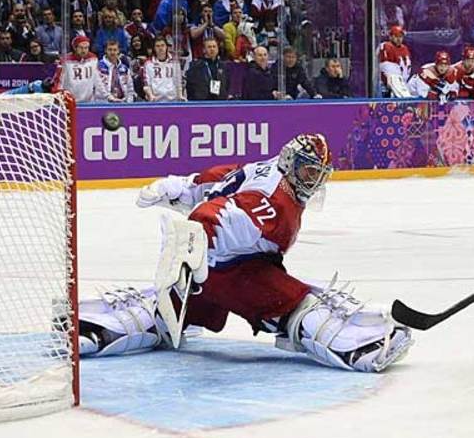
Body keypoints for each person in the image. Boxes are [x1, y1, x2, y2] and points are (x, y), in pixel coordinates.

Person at [79, 134, 413, 373]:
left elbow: (219, 180)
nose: (312, 181)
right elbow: (225, 217)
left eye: (318, 174)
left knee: (172, 314)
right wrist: (198, 234)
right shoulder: (280, 204)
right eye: (308, 170)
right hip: (236, 272)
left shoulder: (265, 167)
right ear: (291, 161)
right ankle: (359, 344)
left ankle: (100, 327)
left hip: (204, 273)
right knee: (294, 305)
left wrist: (180, 186)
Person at [53, 35, 104, 102]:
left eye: (86, 48)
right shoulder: (65, 61)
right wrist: (57, 96)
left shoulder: (93, 59)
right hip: (70, 102)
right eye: (81, 48)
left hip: (89, 102)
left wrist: (107, 96)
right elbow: (58, 82)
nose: (84, 50)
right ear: (75, 48)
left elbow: (98, 80)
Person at [142, 36, 184, 101]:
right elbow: (147, 85)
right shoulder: (148, 64)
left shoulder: (175, 62)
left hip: (173, 100)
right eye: (157, 46)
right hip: (155, 101)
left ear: (166, 46)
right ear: (154, 48)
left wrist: (180, 96)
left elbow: (178, 82)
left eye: (162, 45)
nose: (160, 48)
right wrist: (151, 96)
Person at [376, 24, 412, 97]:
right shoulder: (385, 46)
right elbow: (385, 68)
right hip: (389, 83)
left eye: (400, 36)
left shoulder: (405, 48)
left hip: (403, 82)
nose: (399, 39)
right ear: (390, 37)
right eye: (396, 36)